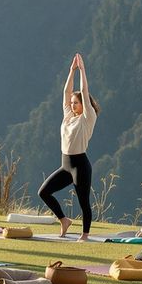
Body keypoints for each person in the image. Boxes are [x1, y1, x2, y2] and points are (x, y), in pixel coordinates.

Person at [38, 53, 100, 241]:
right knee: (44, 192)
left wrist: (82, 71)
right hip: (65, 165)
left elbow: (84, 89)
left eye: (76, 103)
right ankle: (64, 220)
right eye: (72, 103)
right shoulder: (68, 116)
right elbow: (66, 93)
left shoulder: (87, 118)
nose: (72, 105)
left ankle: (85, 235)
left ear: (84, 105)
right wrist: (71, 70)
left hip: (80, 165)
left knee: (83, 202)